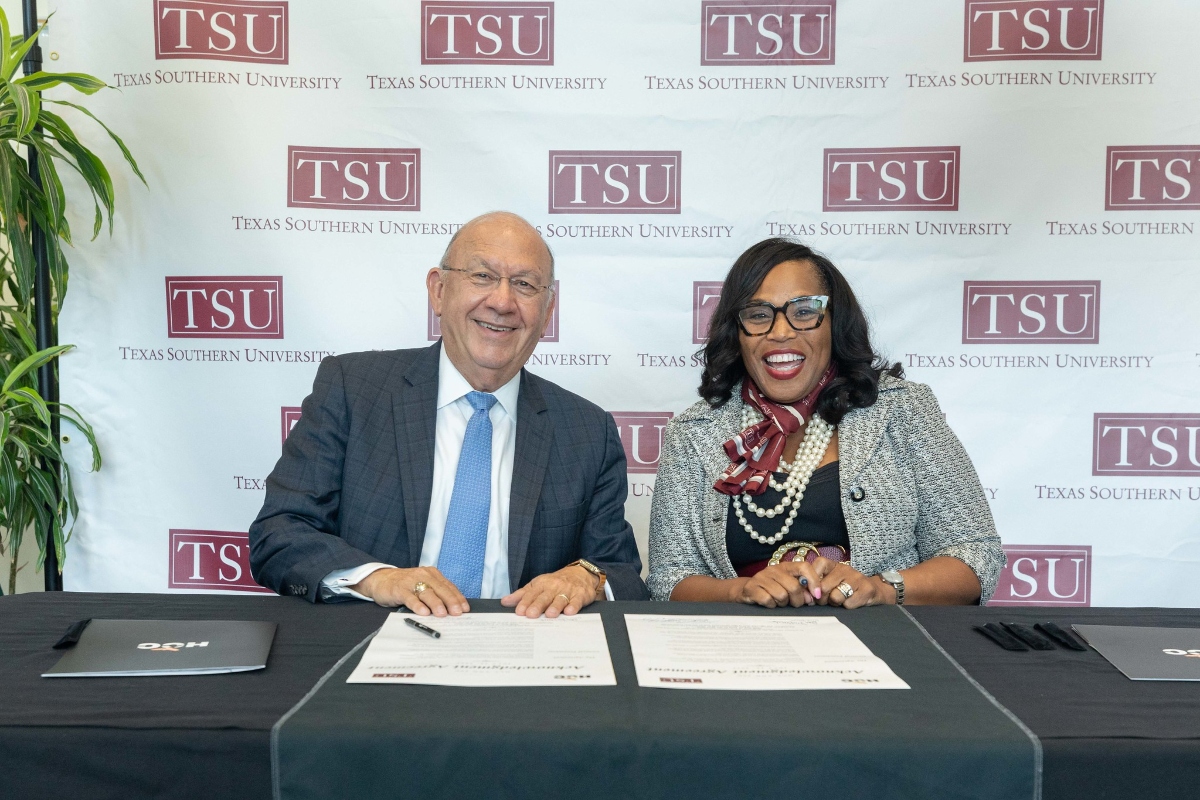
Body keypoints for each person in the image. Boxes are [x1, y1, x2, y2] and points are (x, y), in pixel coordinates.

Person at [250, 211, 649, 617]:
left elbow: (619, 571)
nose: (502, 301)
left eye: (525, 285)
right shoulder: (353, 389)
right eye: (482, 277)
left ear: (547, 312)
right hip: (370, 644)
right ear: (439, 291)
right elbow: (281, 533)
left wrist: (586, 578)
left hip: (522, 658)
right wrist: (379, 578)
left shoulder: (586, 430)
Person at [648, 238, 1003, 608]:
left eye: (804, 311)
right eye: (758, 314)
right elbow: (668, 580)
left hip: (885, 641)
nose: (780, 331)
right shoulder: (692, 433)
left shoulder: (903, 410)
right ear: (736, 332)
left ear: (835, 323)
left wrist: (881, 589)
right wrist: (740, 590)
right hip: (743, 648)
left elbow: (976, 555)